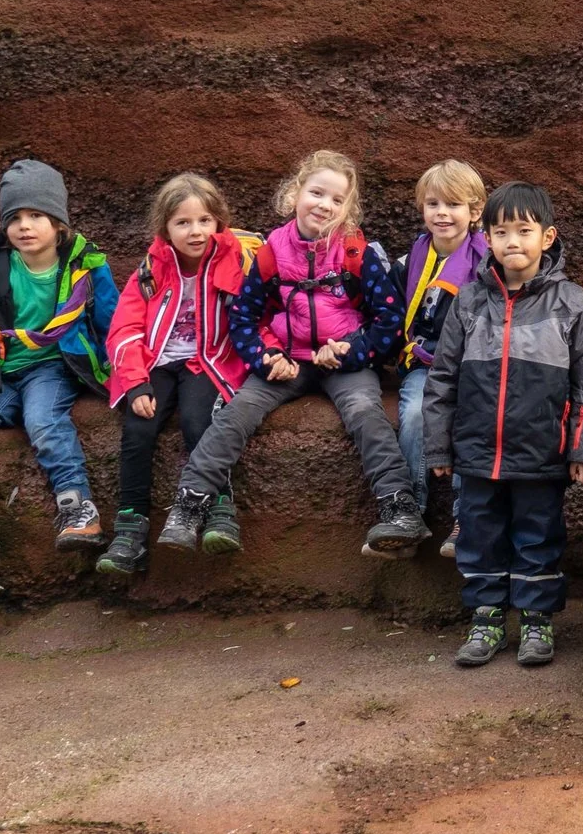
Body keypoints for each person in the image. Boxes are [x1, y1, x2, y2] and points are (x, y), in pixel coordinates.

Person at [155, 150, 423, 558]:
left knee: (366, 411)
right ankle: (189, 504)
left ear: (348, 208)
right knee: (238, 411)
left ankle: (399, 507)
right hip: (288, 360)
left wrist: (353, 351)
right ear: (295, 193)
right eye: (316, 192)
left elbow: (389, 319)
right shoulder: (270, 252)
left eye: (337, 199)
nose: (324, 205)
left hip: (343, 360)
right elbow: (243, 317)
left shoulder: (357, 253)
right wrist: (266, 356)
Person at [422, 182, 583, 670]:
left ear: (547, 237)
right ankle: (486, 619)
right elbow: (442, 379)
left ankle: (535, 620)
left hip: (541, 453)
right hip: (477, 453)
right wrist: (438, 448)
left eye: (524, 231)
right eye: (501, 232)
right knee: (479, 536)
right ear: (487, 238)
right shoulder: (467, 302)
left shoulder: (573, 304)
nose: (512, 242)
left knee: (537, 537)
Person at [0, 161, 120, 563]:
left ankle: (78, 507)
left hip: (53, 365)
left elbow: (113, 319)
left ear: (59, 223)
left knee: (43, 419)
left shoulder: (85, 264)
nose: (25, 226)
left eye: (37, 215)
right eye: (14, 218)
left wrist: (121, 369)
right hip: (1, 369)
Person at [98, 173, 252, 579]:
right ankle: (130, 527)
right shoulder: (151, 269)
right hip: (157, 361)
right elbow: (125, 328)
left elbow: (255, 315)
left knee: (199, 419)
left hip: (211, 359)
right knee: (139, 428)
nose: (195, 231)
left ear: (219, 221)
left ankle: (220, 508)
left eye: (204, 220)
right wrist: (134, 381)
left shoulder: (236, 261)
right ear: (165, 228)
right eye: (183, 223)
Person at [395, 159, 490, 557]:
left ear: (475, 212)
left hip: (473, 367)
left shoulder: (487, 262)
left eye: (453, 204)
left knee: (470, 417)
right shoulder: (412, 256)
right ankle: (407, 510)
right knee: (415, 413)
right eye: (433, 204)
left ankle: (464, 517)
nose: (442, 213)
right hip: (425, 363)